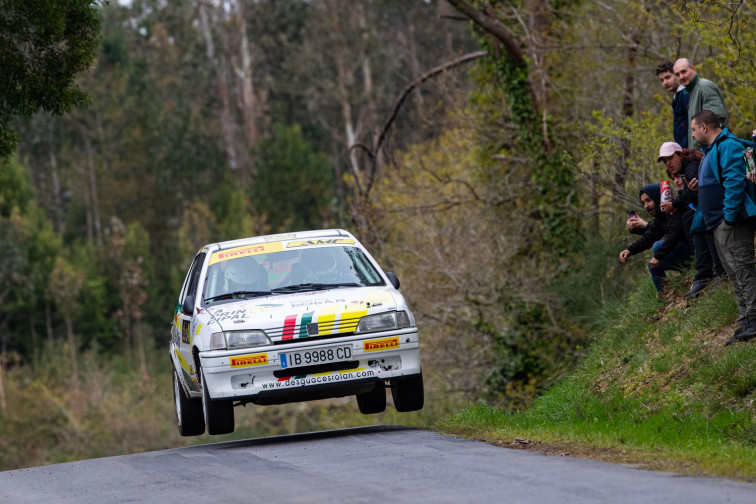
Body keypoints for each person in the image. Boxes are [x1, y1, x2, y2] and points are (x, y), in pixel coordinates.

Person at [690, 109, 756, 345]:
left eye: (694, 129)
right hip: (718, 224)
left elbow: (734, 182)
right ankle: (746, 317)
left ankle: (754, 318)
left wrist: (728, 218)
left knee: (743, 268)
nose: (693, 135)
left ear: (704, 127)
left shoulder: (727, 146)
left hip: (732, 223)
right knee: (734, 271)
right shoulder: (710, 151)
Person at [657, 141, 725, 298]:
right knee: (692, 220)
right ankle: (705, 274)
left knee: (698, 221)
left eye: (670, 158)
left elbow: (694, 192)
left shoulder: (691, 166)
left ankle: (717, 273)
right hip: (710, 205)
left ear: (679, 155)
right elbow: (691, 192)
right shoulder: (687, 166)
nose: (668, 163)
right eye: (665, 161)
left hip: (719, 204)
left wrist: (673, 204)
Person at [619, 183, 692, 299]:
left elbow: (674, 235)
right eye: (643, 203)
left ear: (658, 198)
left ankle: (693, 268)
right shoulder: (660, 219)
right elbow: (647, 238)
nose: (646, 206)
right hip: (685, 258)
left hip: (695, 252)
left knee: (657, 246)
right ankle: (664, 296)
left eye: (648, 201)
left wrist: (657, 256)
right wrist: (629, 250)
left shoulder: (675, 209)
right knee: (652, 266)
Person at [673, 58, 727, 150]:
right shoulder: (691, 91)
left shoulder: (704, 87)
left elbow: (716, 118)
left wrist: (705, 151)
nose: (681, 77)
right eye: (677, 74)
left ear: (693, 69)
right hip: (701, 153)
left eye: (683, 72)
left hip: (712, 151)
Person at [656, 61, 689, 148]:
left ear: (677, 75)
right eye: (662, 80)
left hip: (691, 150)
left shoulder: (685, 95)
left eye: (668, 77)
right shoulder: (676, 97)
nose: (665, 82)